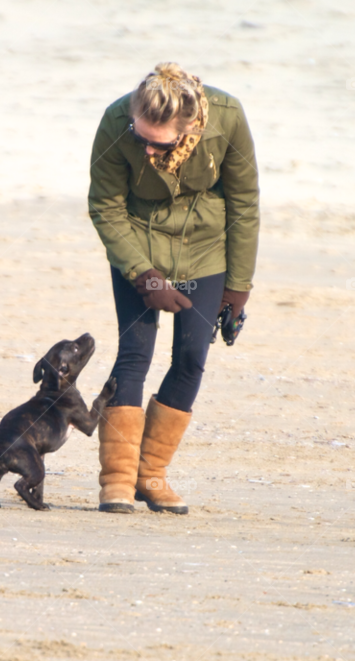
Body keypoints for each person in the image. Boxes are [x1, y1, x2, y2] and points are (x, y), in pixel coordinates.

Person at [88, 62, 260, 515]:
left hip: (206, 253)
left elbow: (244, 202)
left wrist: (237, 288)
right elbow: (105, 206)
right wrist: (144, 276)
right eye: (139, 136)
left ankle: (150, 475)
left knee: (190, 359)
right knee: (134, 357)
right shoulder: (114, 121)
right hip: (137, 248)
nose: (146, 150)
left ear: (189, 126)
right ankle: (118, 481)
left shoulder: (227, 117)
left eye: (157, 143)